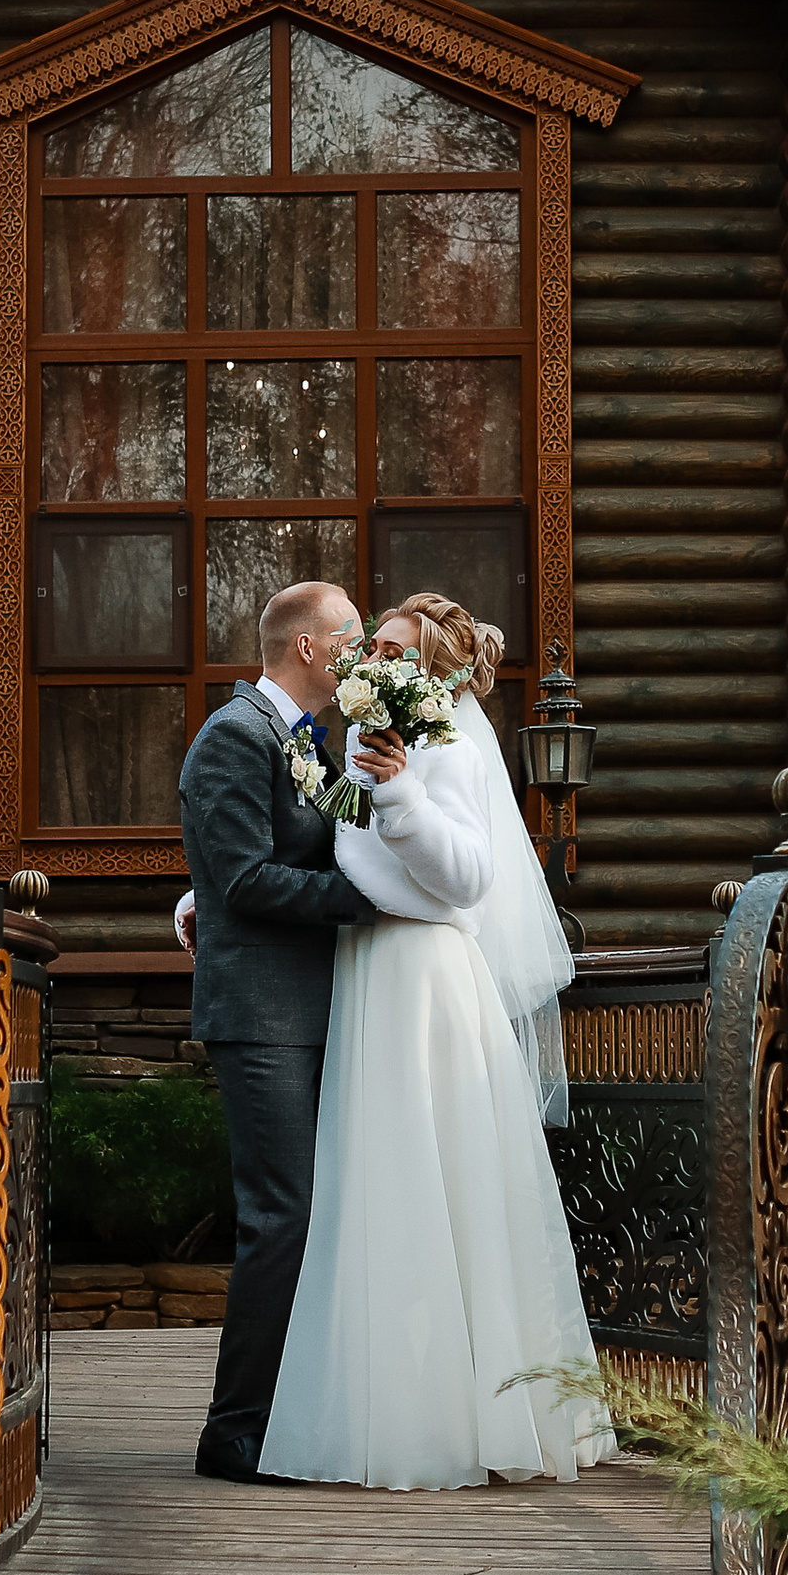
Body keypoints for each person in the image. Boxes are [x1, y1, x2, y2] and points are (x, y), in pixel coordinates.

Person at [257, 593, 616, 1493]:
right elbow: (338, 851)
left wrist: (403, 793)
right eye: (372, 646)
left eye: (393, 650)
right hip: (369, 973)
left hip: (425, 981)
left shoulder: (446, 745)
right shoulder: (368, 742)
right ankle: (396, 1412)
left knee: (449, 1190)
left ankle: (483, 1418)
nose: (372, 659)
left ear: (434, 672)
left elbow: (468, 878)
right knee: (381, 1192)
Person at [175, 579, 376, 1483]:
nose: (361, 654)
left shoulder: (303, 741)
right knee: (279, 1215)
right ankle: (235, 1434)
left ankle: (294, 1419)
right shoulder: (235, 735)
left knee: (310, 1213)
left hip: (308, 1008)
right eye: (352, 639)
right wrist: (370, 900)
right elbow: (244, 879)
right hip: (262, 1017)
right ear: (308, 648)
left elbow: (335, 837)